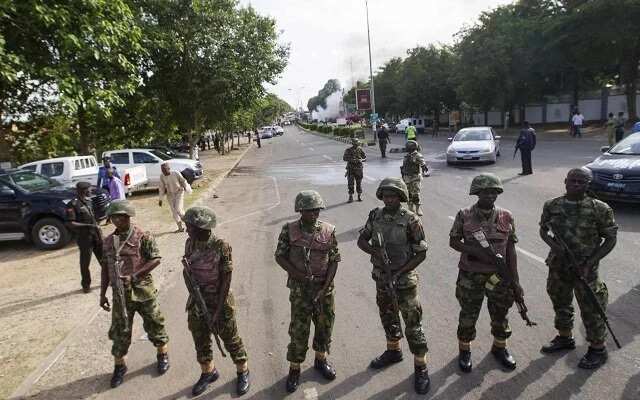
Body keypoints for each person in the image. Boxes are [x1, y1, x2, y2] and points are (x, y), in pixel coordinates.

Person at [357, 178, 430, 395]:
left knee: (413, 323)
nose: (389, 199)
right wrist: (375, 252)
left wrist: (399, 273)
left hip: (404, 280)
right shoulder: (375, 216)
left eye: (394, 195)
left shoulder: (410, 219)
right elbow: (361, 240)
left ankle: (421, 366)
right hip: (381, 278)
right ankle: (393, 351)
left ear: (401, 197)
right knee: (388, 315)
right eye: (386, 195)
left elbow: (422, 252)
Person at [538, 168, 618, 369]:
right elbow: (543, 229)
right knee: (560, 301)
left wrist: (591, 262)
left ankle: (598, 348)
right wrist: (553, 245)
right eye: (572, 180)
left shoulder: (600, 208)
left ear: (587, 184)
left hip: (585, 268)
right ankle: (565, 337)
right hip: (558, 265)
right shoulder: (552, 205)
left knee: (592, 307)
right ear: (565, 181)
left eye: (581, 182)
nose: (575, 184)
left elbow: (610, 239)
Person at [449, 173, 522, 373]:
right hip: (470, 275)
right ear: (477, 193)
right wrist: (478, 252)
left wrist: (515, 280)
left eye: (493, 192)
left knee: (500, 313)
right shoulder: (464, 215)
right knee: (468, 314)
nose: (490, 195)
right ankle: (464, 350)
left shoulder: (506, 216)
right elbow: (454, 241)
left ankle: (500, 347)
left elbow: (510, 249)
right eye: (485, 192)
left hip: (498, 276)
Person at [99, 200, 170, 388]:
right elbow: (105, 268)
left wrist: (135, 276)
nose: (116, 220)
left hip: (143, 292)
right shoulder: (107, 242)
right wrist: (102, 293)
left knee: (155, 324)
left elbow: (156, 259)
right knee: (119, 332)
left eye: (120, 217)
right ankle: (119, 367)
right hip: (120, 296)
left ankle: (162, 354)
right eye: (113, 217)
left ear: (128, 216)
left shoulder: (142, 237)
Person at [275, 191, 340, 393]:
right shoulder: (289, 230)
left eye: (316, 210)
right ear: (300, 210)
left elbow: (334, 260)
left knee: (324, 326)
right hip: (300, 291)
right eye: (309, 210)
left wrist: (325, 286)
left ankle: (321, 360)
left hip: (324, 290)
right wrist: (297, 275)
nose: (313, 214)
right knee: (298, 330)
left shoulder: (328, 230)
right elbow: (280, 256)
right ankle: (295, 369)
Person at [182, 207, 250, 396]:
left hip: (220, 301)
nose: (187, 229)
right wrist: (195, 296)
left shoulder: (221, 246)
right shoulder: (190, 244)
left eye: (189, 226)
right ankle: (208, 372)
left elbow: (226, 280)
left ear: (201, 226)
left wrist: (218, 310)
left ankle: (243, 370)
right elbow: (187, 272)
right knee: (200, 338)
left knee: (231, 339)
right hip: (197, 301)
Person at [66, 181, 103, 293]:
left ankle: (109, 279)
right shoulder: (72, 204)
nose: (91, 191)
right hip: (84, 238)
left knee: (104, 260)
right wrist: (89, 225)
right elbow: (71, 223)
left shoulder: (89, 201)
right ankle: (86, 285)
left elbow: (93, 218)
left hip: (95, 235)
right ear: (83, 190)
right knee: (85, 263)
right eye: (89, 189)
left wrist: (98, 230)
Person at [158, 162, 192, 232]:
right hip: (170, 195)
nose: (164, 172)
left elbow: (183, 181)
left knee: (179, 210)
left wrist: (188, 189)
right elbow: (161, 188)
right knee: (174, 212)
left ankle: (189, 224)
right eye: (162, 170)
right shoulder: (162, 176)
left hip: (179, 193)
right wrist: (160, 199)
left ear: (169, 168)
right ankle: (180, 228)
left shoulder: (175, 173)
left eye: (165, 170)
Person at [401, 140, 429, 216]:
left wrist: (423, 166)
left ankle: (418, 208)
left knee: (416, 193)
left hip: (415, 177)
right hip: (407, 177)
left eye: (408, 147)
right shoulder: (406, 156)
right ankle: (410, 207)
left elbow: (422, 162)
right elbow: (404, 167)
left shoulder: (417, 155)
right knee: (408, 193)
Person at [343, 138, 366, 203]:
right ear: (353, 143)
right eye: (355, 143)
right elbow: (344, 158)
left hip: (359, 169)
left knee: (359, 184)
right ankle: (350, 197)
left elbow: (365, 158)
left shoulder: (360, 149)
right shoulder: (348, 150)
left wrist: (361, 160)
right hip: (351, 169)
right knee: (350, 184)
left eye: (357, 143)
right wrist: (352, 160)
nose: (357, 144)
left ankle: (359, 196)